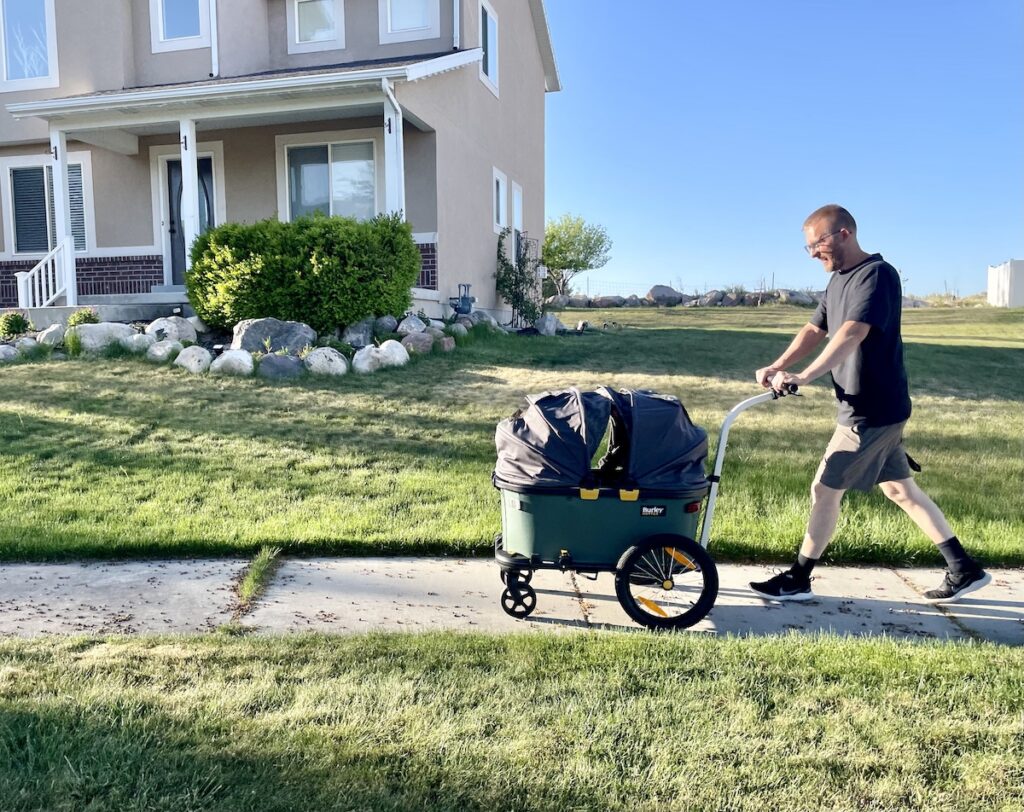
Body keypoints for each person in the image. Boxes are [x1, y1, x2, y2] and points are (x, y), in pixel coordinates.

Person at [749, 204, 990, 603]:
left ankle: (799, 578)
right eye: (808, 247)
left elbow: (852, 332)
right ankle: (963, 568)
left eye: (817, 243)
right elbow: (814, 329)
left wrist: (804, 376)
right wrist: (778, 365)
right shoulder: (837, 281)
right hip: (875, 407)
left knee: (824, 490)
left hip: (871, 412)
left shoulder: (877, 275)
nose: (813, 253)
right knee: (900, 490)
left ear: (844, 234)